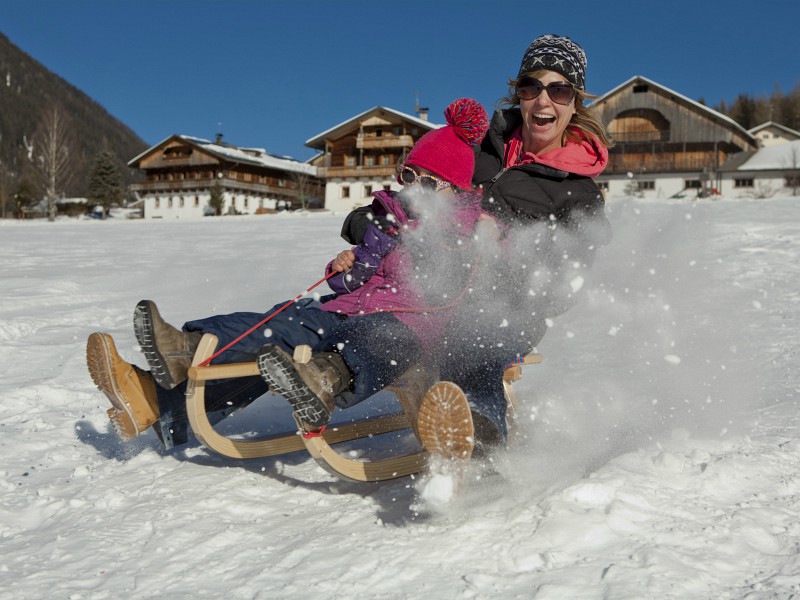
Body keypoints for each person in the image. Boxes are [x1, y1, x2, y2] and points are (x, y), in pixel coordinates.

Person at [86, 98, 492, 449]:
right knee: (282, 320)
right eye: (410, 176)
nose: (415, 188)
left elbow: (464, 288)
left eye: (430, 181)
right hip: (345, 313)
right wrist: (342, 269)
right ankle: (186, 347)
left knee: (365, 342)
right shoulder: (388, 221)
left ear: (454, 191)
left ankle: (315, 381)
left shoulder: (465, 235)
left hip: (401, 330)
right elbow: (354, 280)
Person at [331, 34, 614, 452]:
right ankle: (229, 377)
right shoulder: (476, 147)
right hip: (423, 289)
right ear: (518, 93)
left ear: (575, 102)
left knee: (473, 343)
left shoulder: (580, 192)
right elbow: (416, 195)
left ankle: (480, 434)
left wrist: (504, 268)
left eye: (559, 89)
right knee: (335, 320)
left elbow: (565, 278)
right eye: (531, 87)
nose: (542, 101)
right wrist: (369, 225)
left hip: (508, 308)